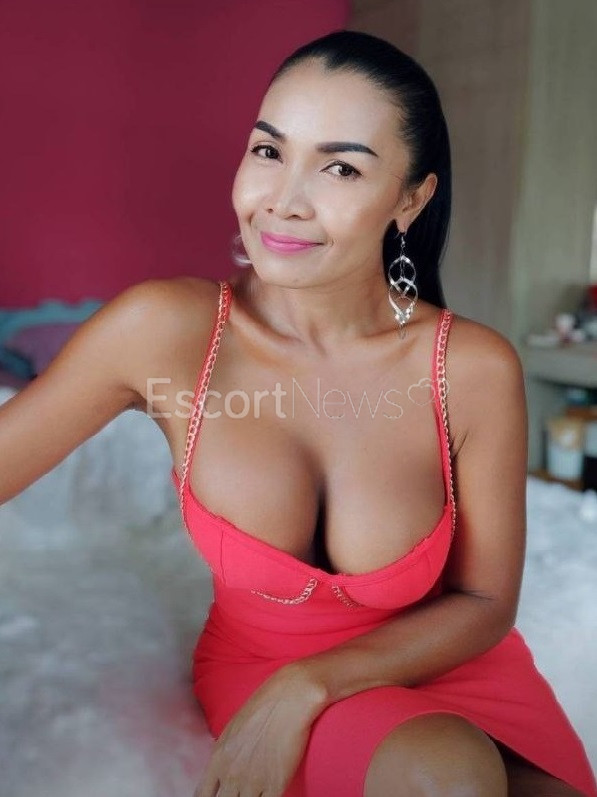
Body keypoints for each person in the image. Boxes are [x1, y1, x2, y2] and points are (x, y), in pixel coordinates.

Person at [0, 28, 595, 797]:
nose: (283, 198)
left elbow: (483, 602)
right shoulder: (167, 331)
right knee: (445, 775)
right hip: (263, 664)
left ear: (410, 198)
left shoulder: (470, 367)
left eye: (340, 166)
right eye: (268, 150)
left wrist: (307, 686)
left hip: (449, 664)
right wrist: (286, 679)